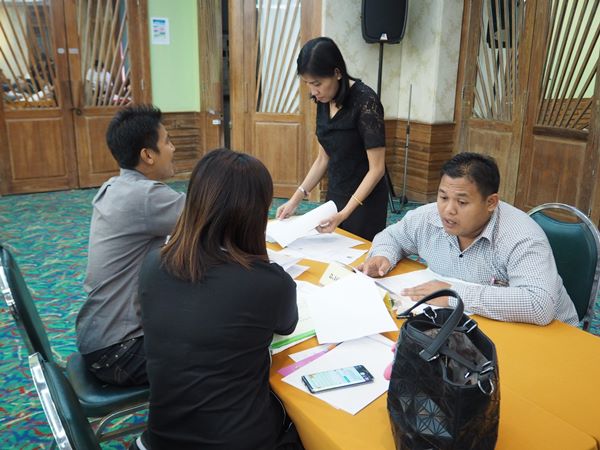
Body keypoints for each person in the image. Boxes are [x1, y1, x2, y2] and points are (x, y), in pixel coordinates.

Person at [136, 148, 300, 450]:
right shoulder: (267, 283)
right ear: (256, 213)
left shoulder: (152, 264)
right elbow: (287, 325)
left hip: (162, 438)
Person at [360, 152, 579, 326]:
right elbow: (393, 236)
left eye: (462, 202)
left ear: (491, 203)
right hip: (472, 323)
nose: (448, 210)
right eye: (443, 197)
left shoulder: (521, 236)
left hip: (547, 336)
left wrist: (452, 294)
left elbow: (539, 305)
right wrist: (383, 255)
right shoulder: (429, 218)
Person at [76, 104, 185, 386]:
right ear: (148, 155)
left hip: (99, 337)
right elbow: (212, 214)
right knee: (226, 351)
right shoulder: (145, 196)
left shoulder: (115, 187)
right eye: (167, 141)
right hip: (121, 352)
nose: (173, 148)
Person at [276, 37, 388, 241]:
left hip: (364, 200)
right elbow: (323, 159)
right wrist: (295, 199)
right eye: (308, 84)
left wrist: (345, 213)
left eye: (317, 84)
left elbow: (377, 169)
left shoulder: (366, 102)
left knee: (359, 255)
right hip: (336, 196)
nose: (313, 92)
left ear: (337, 73)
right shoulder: (323, 100)